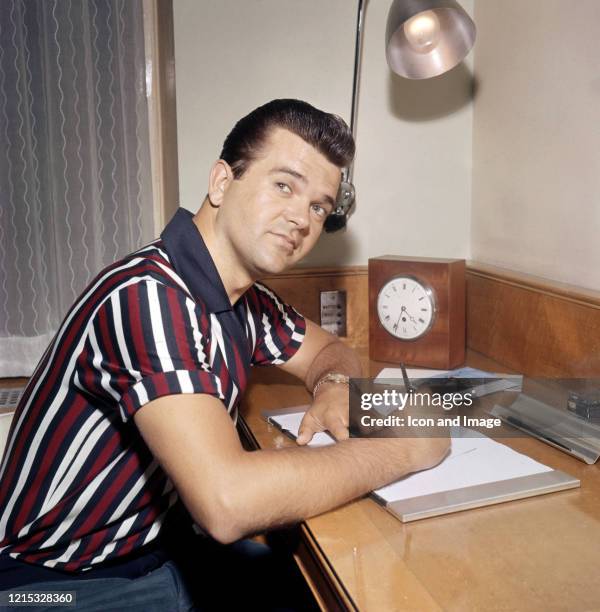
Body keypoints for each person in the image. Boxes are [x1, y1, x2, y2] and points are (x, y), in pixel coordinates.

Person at [0, 99, 449, 610]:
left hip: (157, 548)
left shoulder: (244, 299)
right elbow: (227, 502)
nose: (302, 217)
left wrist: (336, 387)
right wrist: (402, 449)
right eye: (285, 185)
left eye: (320, 206)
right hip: (52, 585)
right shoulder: (147, 296)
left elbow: (328, 350)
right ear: (220, 182)